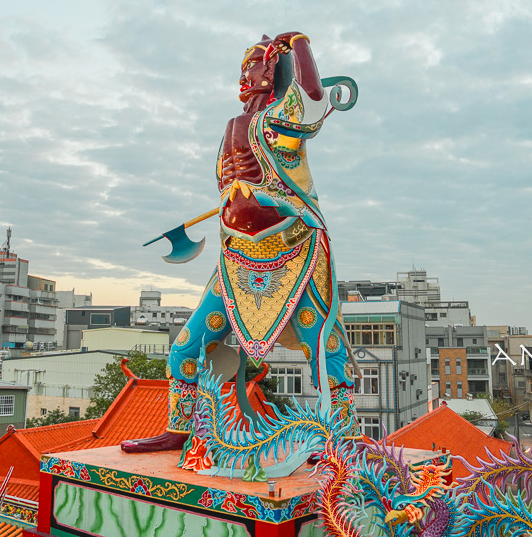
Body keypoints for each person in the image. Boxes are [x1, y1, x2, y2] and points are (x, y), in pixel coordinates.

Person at [122, 32, 359, 453]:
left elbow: (313, 102)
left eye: (253, 66)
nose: (244, 76)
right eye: (244, 68)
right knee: (185, 347)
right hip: (237, 258)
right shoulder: (235, 128)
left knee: (323, 348)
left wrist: (299, 44)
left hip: (293, 253)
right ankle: (181, 427)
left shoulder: (278, 123)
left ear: (270, 73)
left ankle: (340, 441)